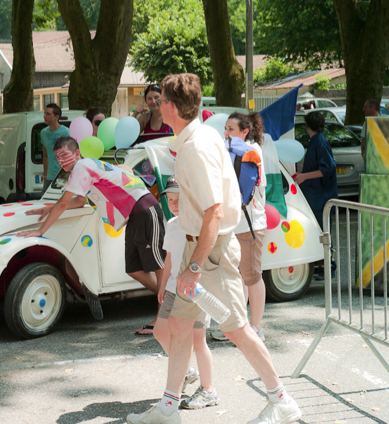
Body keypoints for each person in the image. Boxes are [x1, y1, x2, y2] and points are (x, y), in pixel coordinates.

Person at [127, 73, 301, 424]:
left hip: (209, 253)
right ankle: (168, 408)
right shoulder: (201, 136)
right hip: (202, 250)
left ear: (170, 106)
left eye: (160, 101)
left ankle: (281, 400)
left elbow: (215, 211)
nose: (157, 106)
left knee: (237, 330)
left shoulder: (196, 147)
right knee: (178, 329)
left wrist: (193, 267)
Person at [18, 136, 166, 335]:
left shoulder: (82, 166)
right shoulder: (82, 170)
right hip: (134, 214)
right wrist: (49, 208)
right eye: (57, 157)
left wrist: (40, 231)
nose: (61, 160)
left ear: (77, 153)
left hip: (144, 208)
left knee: (157, 266)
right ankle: (172, 302)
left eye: (64, 154)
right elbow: (79, 202)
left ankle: (163, 318)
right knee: (133, 269)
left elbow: (64, 203)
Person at [154, 178, 219, 409]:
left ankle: (208, 389)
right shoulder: (171, 224)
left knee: (198, 341)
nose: (174, 204)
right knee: (160, 332)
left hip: (195, 290)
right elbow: (169, 256)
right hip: (172, 288)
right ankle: (186, 371)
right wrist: (162, 284)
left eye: (179, 200)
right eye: (170, 200)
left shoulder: (200, 223)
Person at [211, 112, 269, 343]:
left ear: (245, 131)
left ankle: (256, 327)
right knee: (237, 277)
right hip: (235, 224)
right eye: (225, 128)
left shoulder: (252, 151)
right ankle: (238, 325)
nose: (226, 133)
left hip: (250, 224)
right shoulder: (234, 151)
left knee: (251, 276)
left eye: (231, 129)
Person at [294, 112, 338, 280]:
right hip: (318, 195)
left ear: (308, 126)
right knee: (321, 231)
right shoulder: (317, 141)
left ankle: (330, 267)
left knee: (324, 231)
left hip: (321, 196)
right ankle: (323, 266)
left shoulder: (319, 142)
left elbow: (328, 168)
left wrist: (304, 176)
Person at [40, 103, 70, 194]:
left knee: (58, 201)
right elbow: (45, 155)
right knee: (44, 200)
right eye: (44, 113)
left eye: (48, 114)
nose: (45, 116)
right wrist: (45, 175)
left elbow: (70, 156)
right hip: (50, 177)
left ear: (56, 117)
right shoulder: (43, 133)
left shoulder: (66, 132)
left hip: (62, 176)